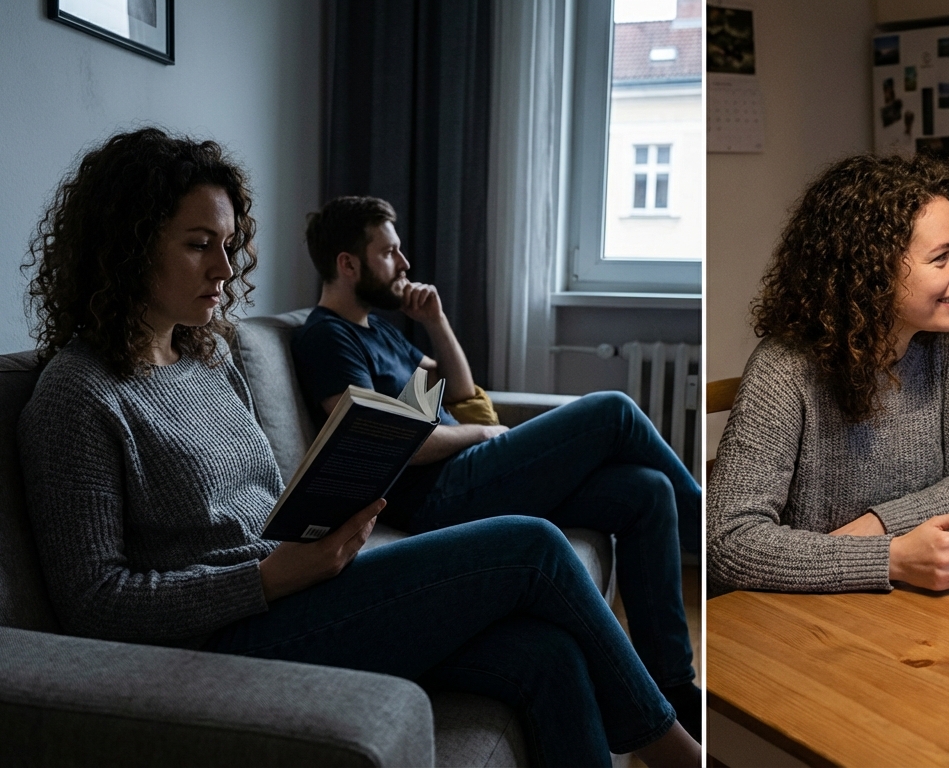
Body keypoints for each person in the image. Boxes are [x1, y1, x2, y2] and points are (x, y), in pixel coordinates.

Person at [17, 127, 700, 767]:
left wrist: (325, 525)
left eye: (229, 244)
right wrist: (272, 577)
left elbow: (258, 501)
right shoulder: (77, 396)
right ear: (126, 246)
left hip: (301, 586)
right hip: (233, 633)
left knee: (547, 654)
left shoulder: (207, 359)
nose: (225, 268)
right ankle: (673, 750)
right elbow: (96, 602)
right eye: (200, 244)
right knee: (533, 546)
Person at [289, 196, 702, 734]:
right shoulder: (327, 336)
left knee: (645, 490)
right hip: (435, 494)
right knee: (613, 412)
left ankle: (673, 685)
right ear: (348, 264)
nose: (405, 264)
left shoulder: (378, 330)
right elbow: (382, 443)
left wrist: (435, 321)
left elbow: (458, 391)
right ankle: (715, 533)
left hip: (465, 472)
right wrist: (483, 432)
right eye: (390, 252)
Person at [707, 153, 949, 595]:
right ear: (872, 270)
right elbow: (728, 542)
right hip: (807, 624)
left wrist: (877, 529)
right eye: (940, 257)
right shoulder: (783, 371)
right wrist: (892, 558)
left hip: (917, 609)